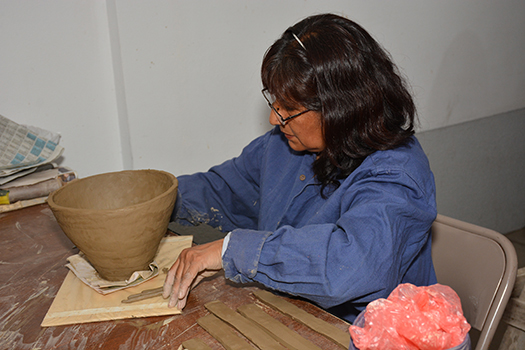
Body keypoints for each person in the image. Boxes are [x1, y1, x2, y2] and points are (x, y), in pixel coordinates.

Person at [163, 13, 437, 323]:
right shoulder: (286, 146)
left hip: (374, 334)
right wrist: (154, 201)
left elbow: (349, 267)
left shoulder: (396, 174)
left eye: (289, 109)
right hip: (296, 316)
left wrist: (232, 250)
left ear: (340, 108)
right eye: (275, 102)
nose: (274, 119)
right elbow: (222, 191)